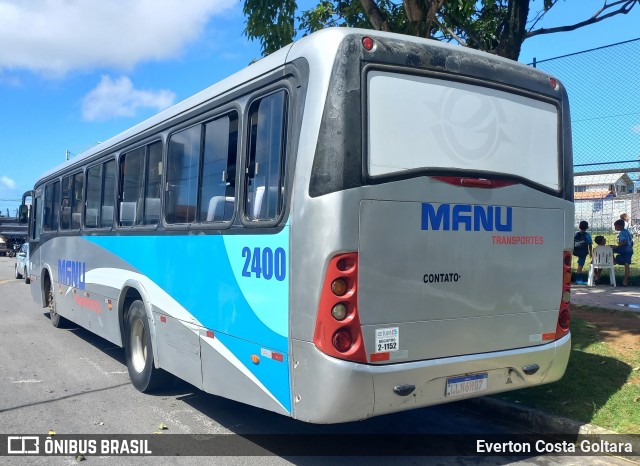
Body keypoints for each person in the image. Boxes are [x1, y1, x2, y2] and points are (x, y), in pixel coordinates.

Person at [613, 219, 634, 286]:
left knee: (610, 249)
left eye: (615, 226)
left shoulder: (622, 232)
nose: (615, 228)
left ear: (620, 226)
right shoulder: (627, 231)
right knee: (627, 266)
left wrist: (617, 246)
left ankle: (614, 261)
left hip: (624, 249)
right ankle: (625, 282)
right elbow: (631, 241)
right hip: (629, 250)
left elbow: (624, 242)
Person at [573, 220, 593, 285]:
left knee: (579, 264)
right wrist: (590, 253)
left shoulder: (576, 234)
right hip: (583, 252)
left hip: (576, 251)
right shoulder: (587, 235)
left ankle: (578, 279)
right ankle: (578, 279)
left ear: (579, 226)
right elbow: (590, 244)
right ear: (587, 228)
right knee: (580, 266)